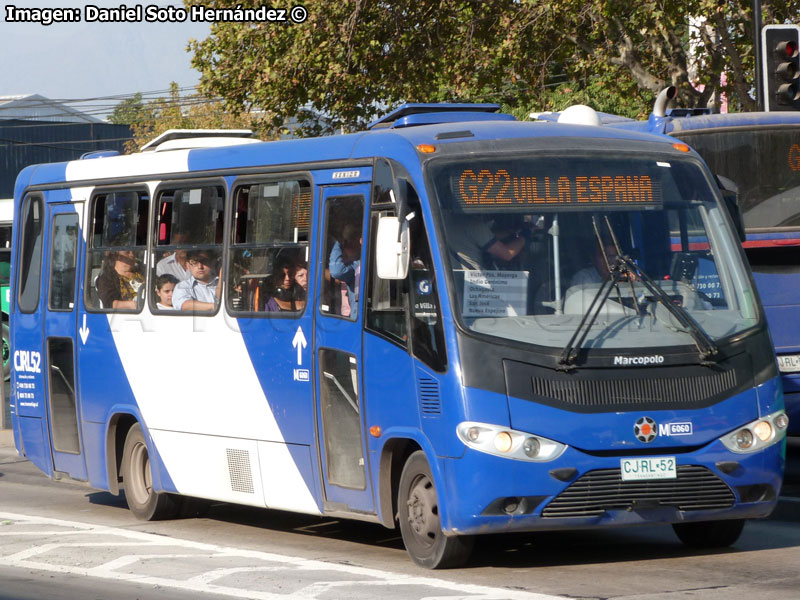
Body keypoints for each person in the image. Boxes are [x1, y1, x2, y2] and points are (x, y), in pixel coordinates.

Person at [449, 214, 527, 271]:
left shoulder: (447, 221)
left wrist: (512, 231)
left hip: (451, 278)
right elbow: (507, 254)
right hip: (474, 283)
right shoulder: (474, 225)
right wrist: (525, 235)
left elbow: (486, 237)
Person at [328, 223, 361, 316]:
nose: (346, 248)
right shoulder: (354, 266)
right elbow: (337, 271)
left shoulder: (359, 266)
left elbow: (337, 271)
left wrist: (339, 242)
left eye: (349, 243)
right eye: (344, 245)